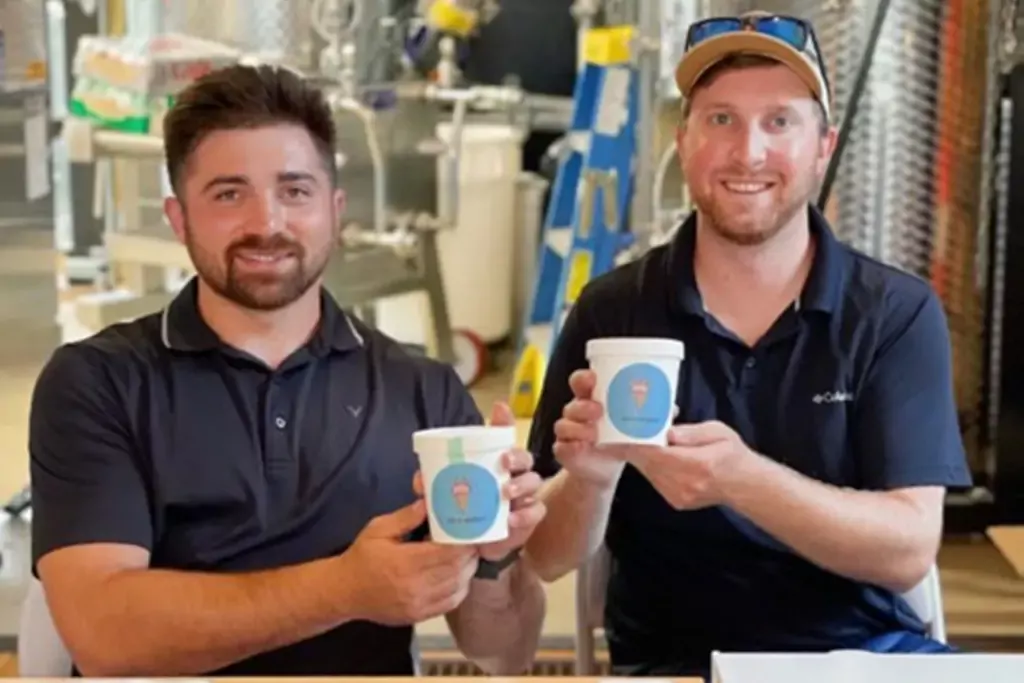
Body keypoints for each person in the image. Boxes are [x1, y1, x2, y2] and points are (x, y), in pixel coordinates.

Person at [29, 64, 546, 677]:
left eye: (294, 191)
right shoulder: (97, 383)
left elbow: (503, 652)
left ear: (334, 210)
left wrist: (499, 561)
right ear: (177, 218)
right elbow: (105, 637)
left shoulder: (422, 391)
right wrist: (343, 588)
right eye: (228, 193)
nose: (266, 223)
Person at [523, 11, 972, 679]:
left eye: (780, 121)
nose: (748, 152)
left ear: (824, 145)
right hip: (675, 663)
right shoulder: (614, 310)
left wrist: (743, 480)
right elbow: (541, 555)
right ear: (685, 141)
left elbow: (909, 548)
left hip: (864, 658)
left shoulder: (893, 315)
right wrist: (588, 478)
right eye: (721, 119)